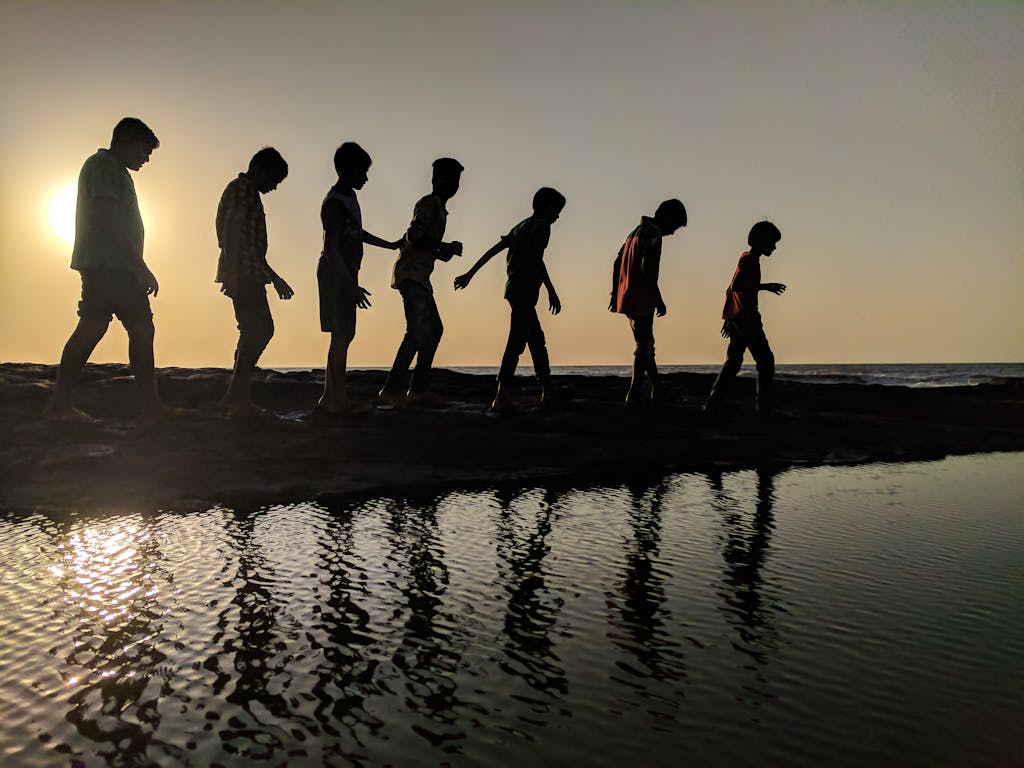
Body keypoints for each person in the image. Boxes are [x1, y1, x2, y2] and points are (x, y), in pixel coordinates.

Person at [45, 117, 169, 422]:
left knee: (112, 328)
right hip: (109, 267)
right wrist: (139, 265)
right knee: (115, 328)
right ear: (125, 142)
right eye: (143, 150)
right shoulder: (103, 166)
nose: (146, 158)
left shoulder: (116, 171)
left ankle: (62, 405)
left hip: (114, 266)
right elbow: (106, 216)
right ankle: (61, 405)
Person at [454, 187, 565, 411]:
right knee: (516, 342)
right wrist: (551, 290)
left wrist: (470, 274)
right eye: (556, 209)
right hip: (523, 291)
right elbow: (536, 259)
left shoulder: (520, 227)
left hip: (514, 289)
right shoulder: (541, 227)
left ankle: (548, 389)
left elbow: (493, 250)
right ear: (544, 206)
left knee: (536, 340)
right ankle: (501, 397)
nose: (558, 215)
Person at [316, 141, 400, 414]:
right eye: (362, 171)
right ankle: (337, 398)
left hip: (343, 272)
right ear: (346, 170)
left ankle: (330, 396)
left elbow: (357, 233)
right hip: (336, 273)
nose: (365, 177)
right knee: (342, 334)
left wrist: (389, 244)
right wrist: (350, 286)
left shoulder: (348, 199)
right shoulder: (335, 203)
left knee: (341, 335)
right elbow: (331, 249)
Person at [378, 158, 464, 407]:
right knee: (417, 331)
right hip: (411, 275)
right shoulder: (430, 204)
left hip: (419, 276)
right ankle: (393, 389)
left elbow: (423, 244)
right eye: (449, 179)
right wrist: (442, 246)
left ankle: (417, 389)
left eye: (457, 181)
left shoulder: (440, 209)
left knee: (432, 330)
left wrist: (443, 252)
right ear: (436, 180)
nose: (454, 185)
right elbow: (414, 237)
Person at [215, 147, 293, 417]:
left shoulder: (246, 191)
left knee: (251, 330)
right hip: (243, 273)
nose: (273, 187)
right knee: (260, 329)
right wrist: (234, 273)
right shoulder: (243, 190)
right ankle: (236, 396)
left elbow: (251, 247)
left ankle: (237, 394)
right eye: (274, 180)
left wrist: (274, 278)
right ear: (259, 169)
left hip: (249, 270)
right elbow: (232, 234)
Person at [702, 221, 786, 417]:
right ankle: (764, 409)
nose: (774, 247)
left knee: (733, 362)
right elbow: (737, 286)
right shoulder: (749, 260)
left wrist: (728, 318)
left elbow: (730, 288)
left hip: (738, 318)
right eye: (772, 243)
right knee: (765, 361)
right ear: (760, 241)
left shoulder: (747, 259)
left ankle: (713, 403)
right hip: (747, 319)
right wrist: (766, 287)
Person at [610, 199, 688, 405]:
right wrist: (658, 297)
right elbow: (649, 267)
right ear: (668, 218)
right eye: (675, 226)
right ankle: (634, 392)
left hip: (626, 294)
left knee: (646, 344)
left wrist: (614, 292)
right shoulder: (653, 232)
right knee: (644, 345)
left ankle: (658, 388)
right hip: (641, 295)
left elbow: (618, 261)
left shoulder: (635, 232)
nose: (672, 233)